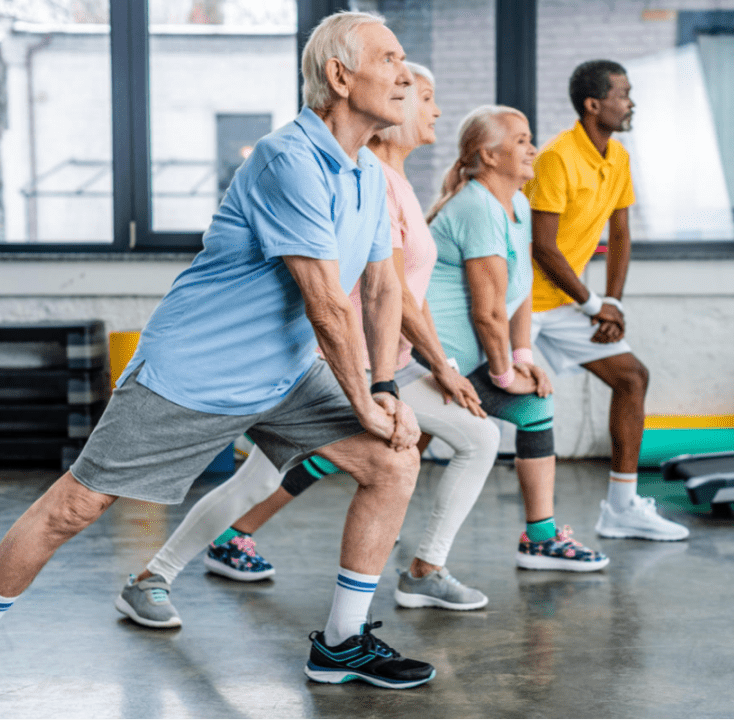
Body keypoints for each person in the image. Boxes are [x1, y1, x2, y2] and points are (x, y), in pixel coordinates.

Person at [0, 12, 436, 712]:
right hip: (193, 374)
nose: (406, 73)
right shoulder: (287, 158)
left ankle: (341, 643)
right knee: (78, 505)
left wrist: (384, 388)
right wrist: (367, 404)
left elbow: (380, 287)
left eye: (405, 59)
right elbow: (327, 302)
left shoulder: (365, 175)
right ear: (340, 76)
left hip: (284, 374)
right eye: (391, 58)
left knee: (391, 461)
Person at [113, 62, 501, 624]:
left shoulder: (393, 181)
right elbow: (379, 292)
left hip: (383, 368)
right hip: (348, 366)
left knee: (266, 479)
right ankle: (420, 572)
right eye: (424, 96)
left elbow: (401, 292)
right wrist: (429, 369)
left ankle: (158, 574)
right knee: (474, 438)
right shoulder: (373, 181)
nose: (435, 109)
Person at [424, 104, 609, 572]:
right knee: (355, 450)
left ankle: (541, 539)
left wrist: (522, 357)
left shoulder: (517, 204)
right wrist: (504, 374)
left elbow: (519, 291)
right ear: (488, 156)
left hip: (466, 363)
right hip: (432, 362)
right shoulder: (476, 206)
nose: (532, 148)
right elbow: (486, 312)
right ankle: (238, 531)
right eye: (522, 140)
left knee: (534, 407)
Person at [523, 59, 689, 542]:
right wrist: (596, 305)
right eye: (623, 93)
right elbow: (543, 248)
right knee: (457, 399)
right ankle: (391, 486)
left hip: (566, 302)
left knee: (632, 376)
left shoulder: (617, 159)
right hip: (523, 302)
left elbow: (620, 234)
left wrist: (613, 304)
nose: (631, 102)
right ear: (594, 105)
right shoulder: (556, 156)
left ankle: (621, 508)